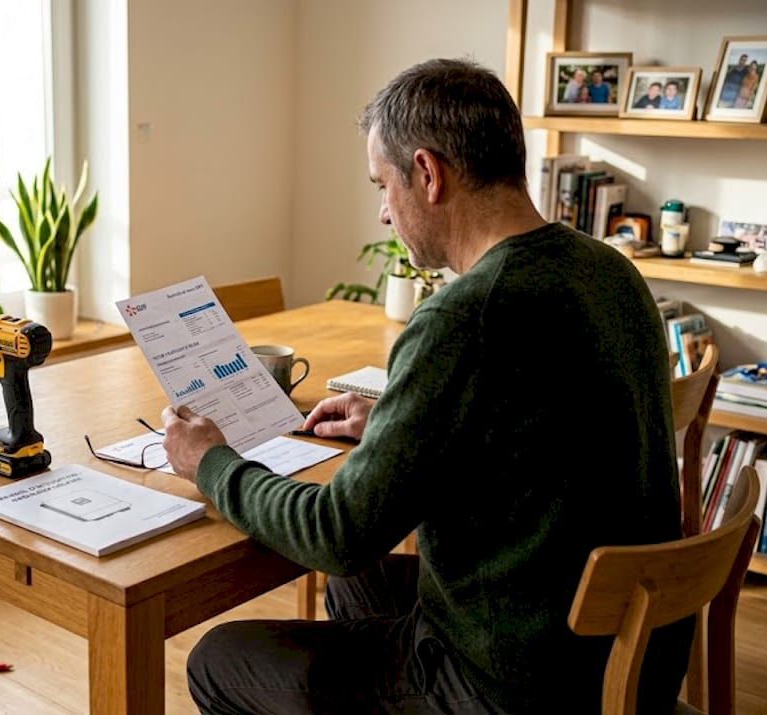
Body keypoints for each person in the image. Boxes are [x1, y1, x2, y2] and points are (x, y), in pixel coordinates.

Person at [163, 58, 692, 714]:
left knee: (218, 658)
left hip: (513, 684)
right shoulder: (610, 272)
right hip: (621, 650)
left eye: (382, 186)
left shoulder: (465, 315)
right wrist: (399, 425)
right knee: (357, 587)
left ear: (427, 173)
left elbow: (336, 532)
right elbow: (543, 422)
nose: (384, 213)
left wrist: (210, 462)